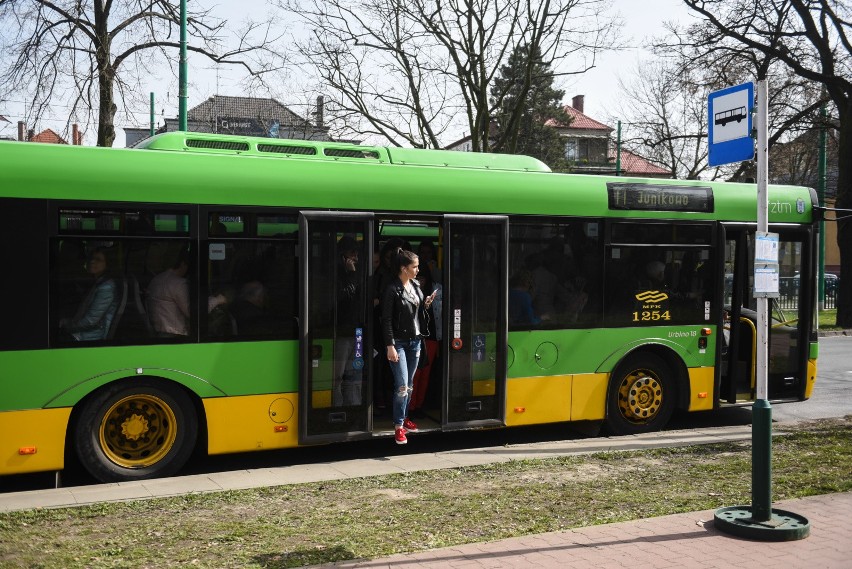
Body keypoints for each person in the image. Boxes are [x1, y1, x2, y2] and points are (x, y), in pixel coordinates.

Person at [381, 248, 437, 444]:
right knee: (403, 386)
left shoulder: (414, 284)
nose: (418, 270)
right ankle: (398, 427)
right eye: (415, 267)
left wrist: (426, 303)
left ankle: (404, 419)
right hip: (400, 343)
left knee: (410, 385)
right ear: (404, 268)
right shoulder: (392, 289)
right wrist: (390, 346)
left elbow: (417, 308)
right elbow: (386, 320)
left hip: (416, 341)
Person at [59, 247, 120, 341]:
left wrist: (68, 327)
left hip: (89, 337)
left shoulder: (107, 287)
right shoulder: (98, 282)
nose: (92, 261)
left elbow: (90, 322)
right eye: (91, 258)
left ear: (107, 264)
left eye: (98, 260)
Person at [334, 236, 363, 406]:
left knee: (355, 373)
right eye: (353, 253)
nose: (356, 257)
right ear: (343, 255)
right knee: (338, 376)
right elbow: (343, 298)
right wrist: (350, 274)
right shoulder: (337, 274)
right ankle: (337, 406)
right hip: (342, 331)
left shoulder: (357, 273)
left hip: (357, 331)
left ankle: (354, 407)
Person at [409, 264, 441, 416]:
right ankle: (411, 406)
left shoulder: (436, 291)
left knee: (425, 374)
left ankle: (419, 405)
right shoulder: (408, 289)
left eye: (423, 278)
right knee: (414, 374)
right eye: (418, 277)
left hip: (432, 337)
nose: (420, 280)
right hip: (414, 337)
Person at [147, 248, 190, 337]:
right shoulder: (178, 283)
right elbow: (192, 312)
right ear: (182, 264)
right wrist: (217, 300)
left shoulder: (156, 279)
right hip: (175, 336)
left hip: (159, 332)